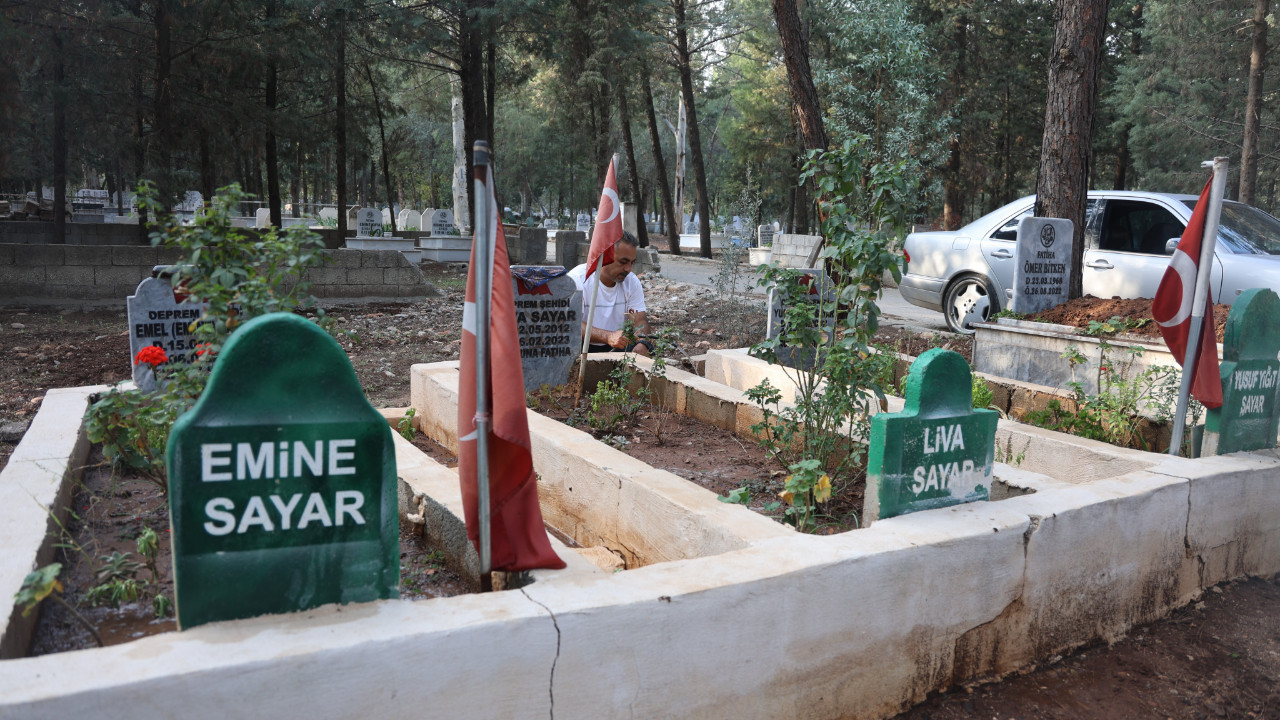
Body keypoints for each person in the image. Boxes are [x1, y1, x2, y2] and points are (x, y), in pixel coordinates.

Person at [567, 231, 652, 356]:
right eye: (623, 262)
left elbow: (639, 319)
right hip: (581, 346)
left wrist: (643, 342)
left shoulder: (631, 281)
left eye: (631, 263)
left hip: (619, 345)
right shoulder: (576, 280)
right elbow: (571, 325)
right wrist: (607, 336)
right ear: (604, 257)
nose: (628, 269)